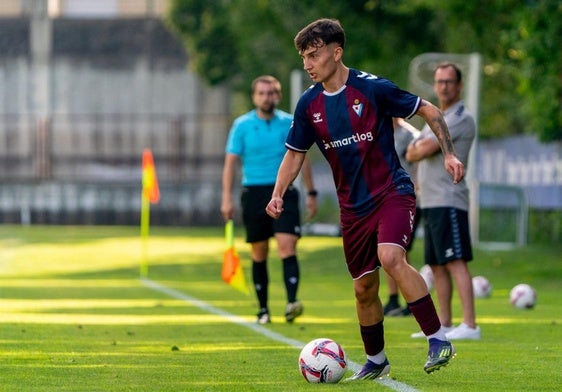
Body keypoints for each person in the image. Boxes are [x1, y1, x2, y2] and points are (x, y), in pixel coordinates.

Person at [265, 18, 463, 378]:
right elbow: (295, 154)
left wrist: (448, 154)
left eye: (313, 55)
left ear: (336, 52)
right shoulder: (309, 105)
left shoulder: (372, 89)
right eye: (303, 57)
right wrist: (278, 193)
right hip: (352, 210)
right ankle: (377, 361)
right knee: (363, 288)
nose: (307, 64)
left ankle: (438, 338)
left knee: (390, 257)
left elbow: (429, 110)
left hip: (392, 192)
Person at [221, 75, 318, 325]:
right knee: (259, 251)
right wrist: (226, 199)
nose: (266, 97)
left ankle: (291, 302)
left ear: (278, 95)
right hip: (253, 191)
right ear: (255, 97)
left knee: (288, 246)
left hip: (285, 191)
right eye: (262, 93)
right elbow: (231, 163)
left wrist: (311, 192)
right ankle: (263, 309)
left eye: (271, 93)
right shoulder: (242, 125)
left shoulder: (289, 122)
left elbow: (301, 157)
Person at [405, 62, 480, 340]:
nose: (444, 86)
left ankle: (470, 325)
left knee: (455, 261)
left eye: (449, 81)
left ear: (459, 85)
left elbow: (421, 149)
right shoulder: (436, 116)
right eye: (440, 82)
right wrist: (417, 149)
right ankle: (446, 323)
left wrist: (418, 148)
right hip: (430, 200)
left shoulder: (461, 117)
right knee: (436, 264)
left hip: (450, 199)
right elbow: (413, 152)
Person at [382, 118, 421, 317]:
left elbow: (418, 167)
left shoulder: (409, 135)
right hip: (384, 200)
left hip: (404, 200)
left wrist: (413, 192)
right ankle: (393, 299)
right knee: (387, 252)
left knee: (401, 252)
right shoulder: (378, 130)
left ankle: (413, 301)